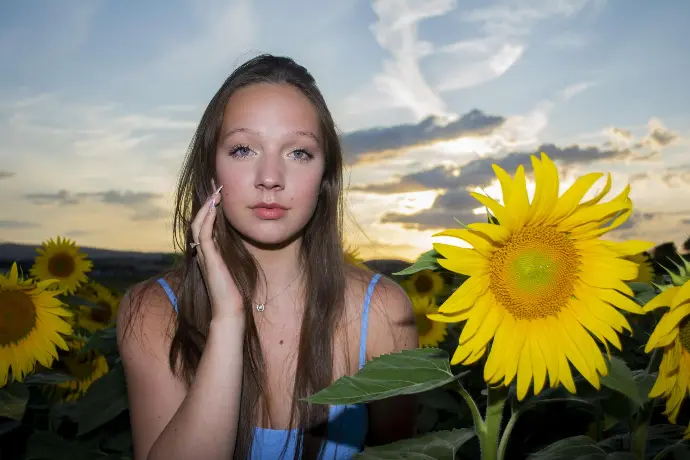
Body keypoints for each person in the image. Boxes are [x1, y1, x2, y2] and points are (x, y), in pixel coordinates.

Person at [116, 54, 419, 460]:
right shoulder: (152, 313)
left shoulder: (382, 313)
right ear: (210, 171)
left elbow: (400, 451)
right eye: (243, 149)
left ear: (325, 177)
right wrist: (227, 321)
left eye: (298, 153)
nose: (270, 178)